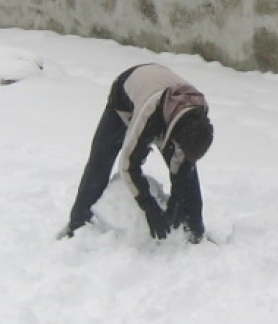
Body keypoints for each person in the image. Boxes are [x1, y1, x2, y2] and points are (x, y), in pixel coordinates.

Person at [59, 63, 214, 242]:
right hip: (126, 94)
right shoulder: (150, 114)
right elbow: (128, 165)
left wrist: (176, 201)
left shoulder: (200, 112)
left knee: (188, 171)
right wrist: (150, 208)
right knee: (100, 160)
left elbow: (182, 163)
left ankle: (194, 231)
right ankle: (77, 224)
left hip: (162, 89)